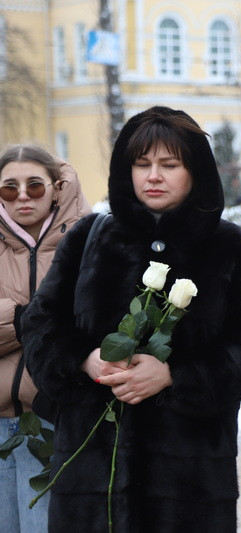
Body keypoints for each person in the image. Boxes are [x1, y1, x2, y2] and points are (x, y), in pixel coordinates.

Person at [21, 106, 241, 532]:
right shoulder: (87, 238)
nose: (153, 176)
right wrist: (85, 360)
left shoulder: (230, 247)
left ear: (195, 172)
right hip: (92, 480)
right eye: (142, 164)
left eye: (169, 165)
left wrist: (175, 375)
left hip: (190, 484)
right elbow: (40, 322)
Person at [0, 144, 90, 532]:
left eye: (34, 185)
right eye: (9, 187)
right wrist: (30, 318)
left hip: (59, 419)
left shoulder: (88, 239)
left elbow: (94, 320)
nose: (22, 195)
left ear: (55, 187)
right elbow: (63, 319)